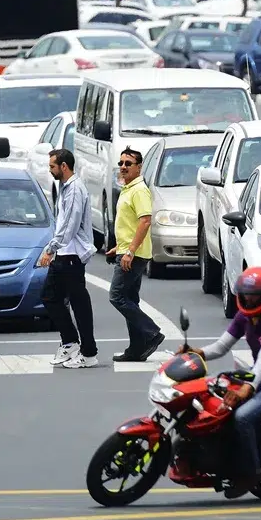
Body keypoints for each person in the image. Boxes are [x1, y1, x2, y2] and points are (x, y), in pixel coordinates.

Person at [183, 266, 261, 497]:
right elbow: (221, 347)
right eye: (246, 294)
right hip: (257, 377)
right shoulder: (245, 316)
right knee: (212, 396)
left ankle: (251, 472)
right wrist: (197, 353)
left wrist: (247, 388)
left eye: (254, 295)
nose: (248, 299)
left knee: (243, 417)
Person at [36, 149, 98, 369]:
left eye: (52, 166)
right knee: (50, 297)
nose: (49, 170)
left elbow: (69, 225)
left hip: (71, 254)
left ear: (64, 166)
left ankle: (89, 353)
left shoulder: (74, 190)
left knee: (79, 304)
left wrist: (50, 248)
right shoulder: (65, 188)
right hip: (64, 254)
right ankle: (70, 342)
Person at [106, 147, 163, 363]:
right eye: (121, 163)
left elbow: (145, 221)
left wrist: (129, 251)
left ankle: (151, 333)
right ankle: (137, 349)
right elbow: (129, 224)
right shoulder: (128, 188)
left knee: (117, 296)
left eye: (128, 163)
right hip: (128, 250)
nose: (123, 167)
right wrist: (119, 247)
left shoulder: (139, 190)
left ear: (139, 167)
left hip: (134, 254)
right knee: (130, 299)